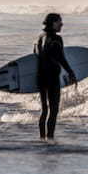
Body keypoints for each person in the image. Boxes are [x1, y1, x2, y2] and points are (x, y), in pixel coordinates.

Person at [34, 13, 77, 141]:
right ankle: (50, 139)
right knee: (53, 110)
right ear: (53, 23)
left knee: (44, 110)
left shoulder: (39, 38)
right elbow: (60, 57)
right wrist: (70, 72)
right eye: (59, 22)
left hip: (40, 77)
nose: (62, 24)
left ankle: (42, 138)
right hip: (52, 77)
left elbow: (35, 55)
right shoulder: (56, 38)